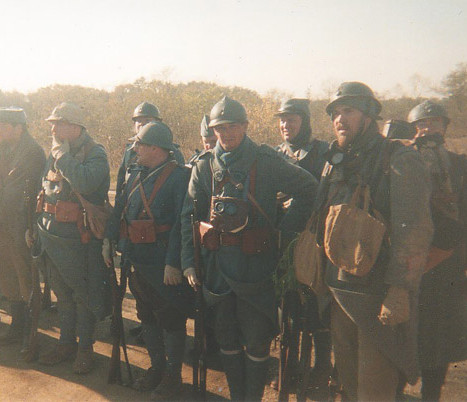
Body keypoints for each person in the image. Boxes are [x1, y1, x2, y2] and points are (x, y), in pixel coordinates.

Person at [181, 96, 318, 401]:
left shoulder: (266, 161)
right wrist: (189, 261)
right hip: (217, 269)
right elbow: (188, 217)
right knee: (226, 337)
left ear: (245, 126)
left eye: (232, 126)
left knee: (256, 340)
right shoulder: (203, 166)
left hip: (256, 268)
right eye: (219, 128)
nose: (226, 134)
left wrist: (284, 232)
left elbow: (309, 188)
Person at [316, 82, 433, 401]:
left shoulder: (398, 158)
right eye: (336, 113)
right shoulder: (336, 159)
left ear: (369, 115)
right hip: (340, 294)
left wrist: (399, 289)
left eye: (349, 111)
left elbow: (415, 232)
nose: (340, 119)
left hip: (377, 299)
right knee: (350, 388)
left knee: (375, 391)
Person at [394, 100, 467, 401]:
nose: (427, 128)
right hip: (409, 265)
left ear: (445, 126)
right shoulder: (401, 161)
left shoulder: (462, 166)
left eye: (433, 122)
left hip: (448, 270)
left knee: (441, 343)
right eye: (421, 124)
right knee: (402, 334)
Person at [104, 122, 192, 399]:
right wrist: (109, 240)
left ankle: (172, 375)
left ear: (156, 148)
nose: (134, 148)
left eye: (139, 144)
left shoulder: (180, 177)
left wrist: (174, 262)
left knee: (170, 319)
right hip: (136, 258)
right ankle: (157, 368)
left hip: (163, 262)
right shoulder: (135, 173)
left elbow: (182, 222)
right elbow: (120, 209)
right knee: (146, 316)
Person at [32, 102, 109, 374]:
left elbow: (86, 183)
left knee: (83, 294)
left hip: (80, 237)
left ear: (74, 127)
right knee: (62, 293)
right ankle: (66, 343)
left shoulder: (95, 153)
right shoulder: (56, 150)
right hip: (51, 233)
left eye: (58, 123)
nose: (53, 128)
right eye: (52, 123)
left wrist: (63, 158)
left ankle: (85, 348)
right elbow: (44, 190)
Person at [273, 98, 332, 395]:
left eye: (292, 119)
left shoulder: (323, 152)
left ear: (304, 121)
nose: (286, 125)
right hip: (285, 239)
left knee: (318, 306)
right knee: (288, 306)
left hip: (315, 239)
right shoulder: (276, 153)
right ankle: (291, 365)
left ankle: (323, 368)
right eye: (282, 120)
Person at [0, 108, 45, 349]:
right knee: (7, 276)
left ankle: (29, 333)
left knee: (25, 277)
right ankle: (17, 328)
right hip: (1, 223)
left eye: (4, 125)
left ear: (19, 128)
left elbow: (21, 191)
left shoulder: (33, 152)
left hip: (21, 224)